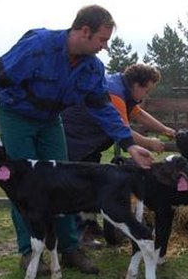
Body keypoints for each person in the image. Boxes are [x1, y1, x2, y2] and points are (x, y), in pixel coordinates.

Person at [0, 4, 153, 276]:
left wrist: (129, 144)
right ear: (84, 31)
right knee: (23, 183)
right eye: (102, 39)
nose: (105, 46)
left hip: (51, 120)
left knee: (64, 182)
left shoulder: (92, 68)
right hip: (17, 115)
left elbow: (102, 108)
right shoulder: (38, 46)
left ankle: (70, 248)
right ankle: (30, 253)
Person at [61, 64, 176, 247]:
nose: (146, 95)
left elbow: (138, 113)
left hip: (88, 144)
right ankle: (78, 235)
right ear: (137, 85)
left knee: (89, 185)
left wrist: (164, 129)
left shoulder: (122, 88)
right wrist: (149, 143)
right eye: (146, 90)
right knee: (78, 187)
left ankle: (88, 225)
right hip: (76, 140)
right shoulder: (114, 93)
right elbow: (123, 129)